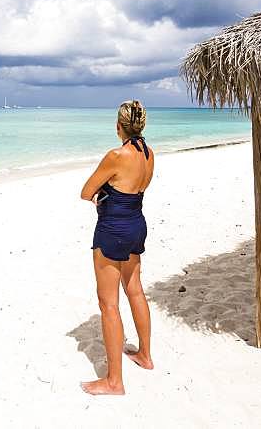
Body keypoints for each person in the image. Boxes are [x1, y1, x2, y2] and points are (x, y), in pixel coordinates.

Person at [78, 100, 155, 395]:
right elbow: (134, 187)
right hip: (136, 224)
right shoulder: (149, 155)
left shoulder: (116, 154)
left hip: (113, 229)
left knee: (108, 303)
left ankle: (114, 382)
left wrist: (100, 196)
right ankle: (145, 356)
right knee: (134, 288)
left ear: (118, 126)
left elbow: (86, 192)